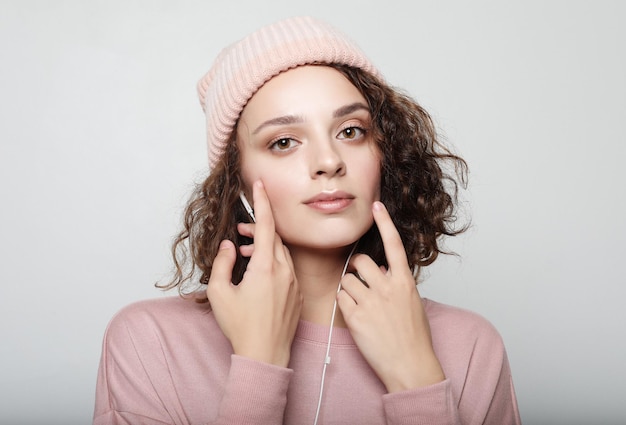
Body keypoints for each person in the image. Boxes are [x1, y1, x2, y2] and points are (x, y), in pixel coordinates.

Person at [93, 16, 521, 425]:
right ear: (236, 180)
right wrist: (259, 361)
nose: (329, 161)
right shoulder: (149, 341)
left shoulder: (470, 346)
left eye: (351, 131)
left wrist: (418, 379)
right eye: (283, 142)